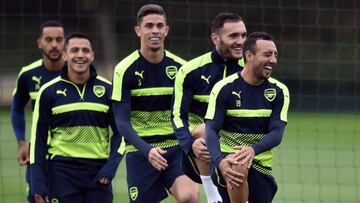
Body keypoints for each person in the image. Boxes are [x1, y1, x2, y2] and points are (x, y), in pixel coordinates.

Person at [111, 4, 198, 203]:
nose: (155, 31)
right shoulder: (124, 70)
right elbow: (122, 123)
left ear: (166, 30)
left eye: (160, 26)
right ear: (138, 30)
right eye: (149, 26)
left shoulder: (182, 69)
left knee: (189, 197)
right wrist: (147, 150)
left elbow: (191, 114)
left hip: (175, 147)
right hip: (140, 149)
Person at [30, 32, 123, 203]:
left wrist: (111, 167)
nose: (80, 55)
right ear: (65, 55)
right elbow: (38, 142)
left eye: (85, 50)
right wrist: (37, 183)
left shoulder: (109, 90)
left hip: (98, 174)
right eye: (74, 50)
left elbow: (121, 133)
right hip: (61, 172)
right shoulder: (48, 91)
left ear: (92, 56)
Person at [205, 32, 290, 203]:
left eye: (275, 55)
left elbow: (277, 132)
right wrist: (219, 160)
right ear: (249, 56)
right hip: (226, 162)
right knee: (237, 163)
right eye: (267, 54)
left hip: (260, 164)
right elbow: (211, 129)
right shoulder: (224, 88)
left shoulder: (280, 91)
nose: (273, 60)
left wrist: (252, 150)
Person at [171, 12, 247, 203]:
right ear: (215, 38)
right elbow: (178, 115)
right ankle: (213, 196)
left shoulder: (250, 69)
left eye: (244, 35)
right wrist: (189, 145)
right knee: (207, 130)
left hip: (239, 141)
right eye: (233, 36)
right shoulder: (191, 71)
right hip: (200, 147)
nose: (241, 41)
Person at [11, 20, 65, 202]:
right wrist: (21, 143)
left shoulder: (77, 72)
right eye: (49, 40)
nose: (55, 45)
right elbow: (17, 108)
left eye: (59, 39)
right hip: (38, 152)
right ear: (39, 43)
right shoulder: (27, 74)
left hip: (69, 152)